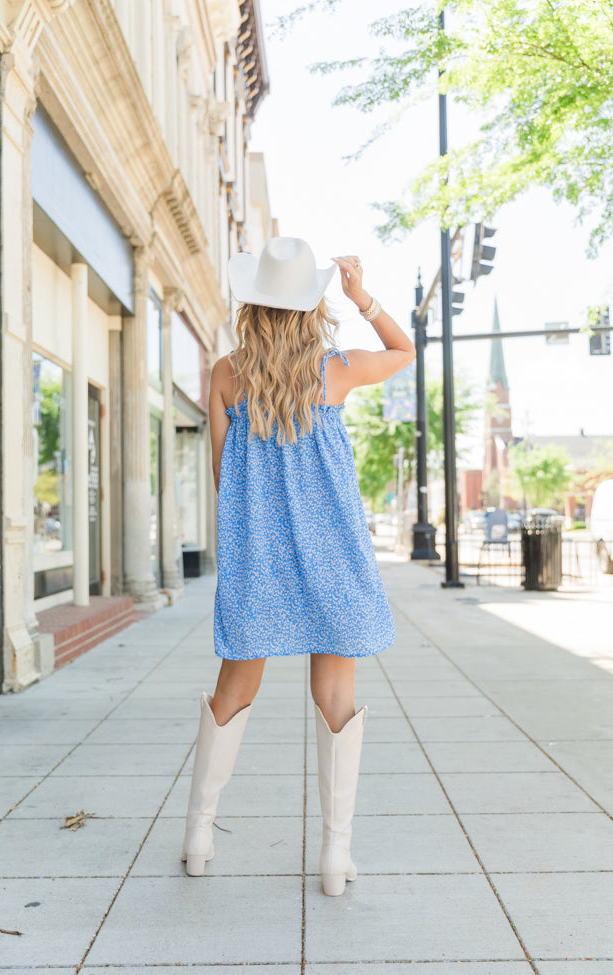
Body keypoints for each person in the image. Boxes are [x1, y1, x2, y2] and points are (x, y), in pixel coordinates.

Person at [181, 236, 416, 895]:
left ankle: (200, 833)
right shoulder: (335, 370)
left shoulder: (226, 374)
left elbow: (224, 474)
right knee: (335, 695)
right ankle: (336, 857)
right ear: (311, 304)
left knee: (234, 687)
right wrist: (362, 294)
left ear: (254, 303)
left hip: (259, 557)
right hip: (332, 554)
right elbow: (406, 351)